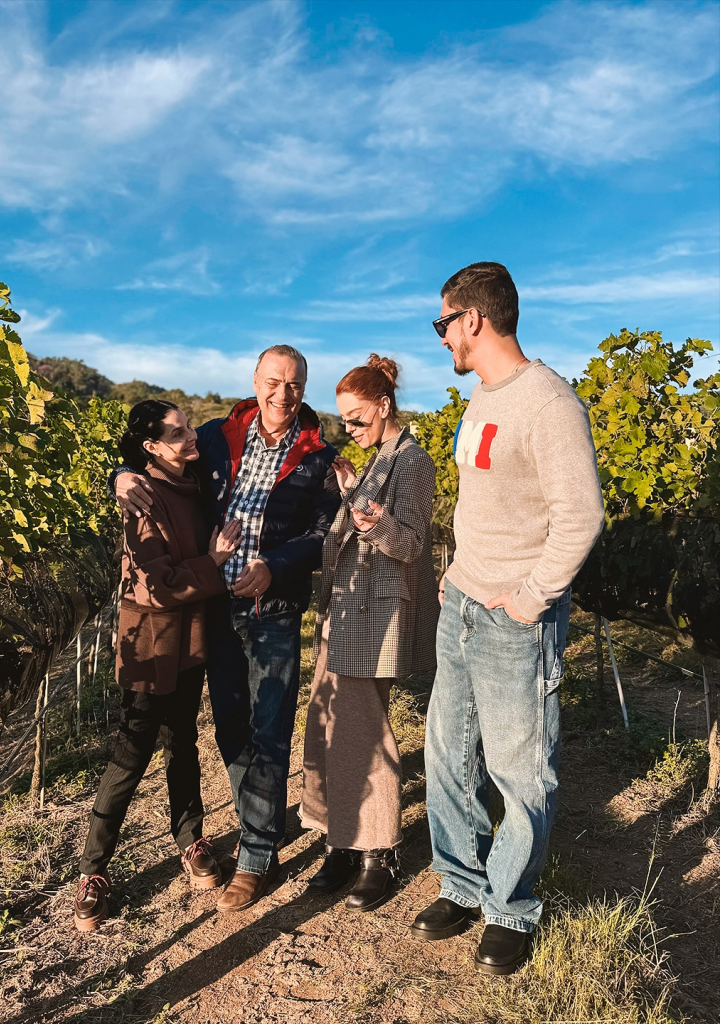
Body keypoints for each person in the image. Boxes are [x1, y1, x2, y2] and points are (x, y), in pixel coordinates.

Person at [412, 263, 604, 975]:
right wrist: (456, 570)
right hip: (462, 601)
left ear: (474, 320)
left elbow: (580, 517)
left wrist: (529, 598)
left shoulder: (548, 402)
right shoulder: (482, 400)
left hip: (513, 618)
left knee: (520, 771)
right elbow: (486, 503)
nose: (441, 341)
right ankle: (462, 885)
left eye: (443, 325)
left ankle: (511, 906)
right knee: (447, 754)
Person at [113, 346, 340, 912]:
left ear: (304, 387)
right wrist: (120, 474)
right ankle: (259, 821)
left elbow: (321, 532)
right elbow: (152, 457)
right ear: (255, 381)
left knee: (269, 725)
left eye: (293, 384)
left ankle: (257, 854)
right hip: (215, 610)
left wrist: (275, 567)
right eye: (272, 381)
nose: (281, 394)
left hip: (275, 610)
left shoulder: (318, 457)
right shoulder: (216, 436)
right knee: (231, 728)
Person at [74, 400, 242, 932]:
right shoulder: (142, 495)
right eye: (178, 432)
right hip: (148, 641)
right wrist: (213, 562)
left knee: (183, 741)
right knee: (131, 754)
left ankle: (190, 842)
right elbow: (156, 584)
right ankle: (93, 872)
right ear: (150, 447)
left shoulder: (194, 481)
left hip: (189, 640)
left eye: (191, 426)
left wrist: (117, 470)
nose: (192, 437)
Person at [300, 355, 438, 911]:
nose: (349, 429)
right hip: (347, 610)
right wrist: (353, 494)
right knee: (327, 721)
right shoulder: (380, 457)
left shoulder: (414, 461)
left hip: (377, 613)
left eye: (357, 419)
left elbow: (410, 543)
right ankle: (340, 839)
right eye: (344, 421)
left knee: (361, 729)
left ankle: (379, 851)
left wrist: (368, 515)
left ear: (384, 406)